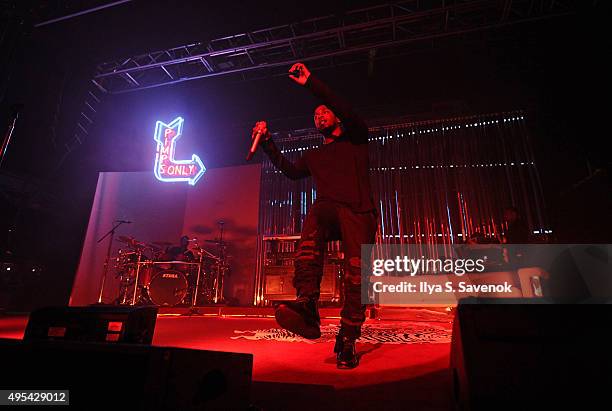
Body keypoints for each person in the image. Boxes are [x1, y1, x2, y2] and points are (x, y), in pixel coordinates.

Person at [252, 62, 377, 369]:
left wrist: (311, 83)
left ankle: (347, 339)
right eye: (315, 114)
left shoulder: (356, 139)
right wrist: (268, 142)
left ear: (336, 116)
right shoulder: (315, 155)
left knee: (355, 277)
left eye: (324, 111)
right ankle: (307, 304)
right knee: (316, 215)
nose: (319, 115)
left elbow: (345, 108)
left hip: (359, 213)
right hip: (329, 210)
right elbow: (292, 172)